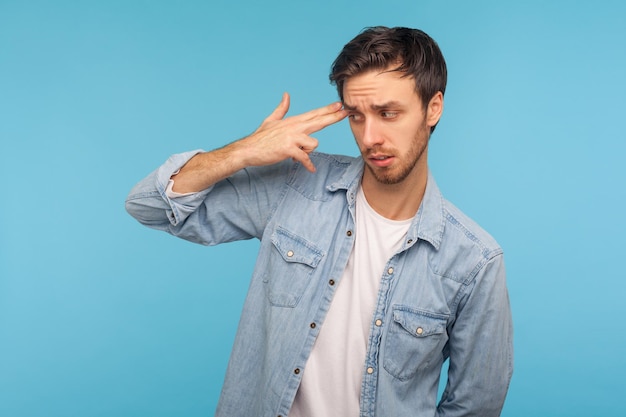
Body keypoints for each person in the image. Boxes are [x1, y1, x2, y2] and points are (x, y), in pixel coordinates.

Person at [126, 26, 513, 417]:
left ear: (433, 108)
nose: (370, 137)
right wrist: (244, 151)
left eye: (388, 113)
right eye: (356, 116)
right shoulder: (296, 186)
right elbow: (149, 206)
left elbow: (475, 405)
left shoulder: (474, 262)